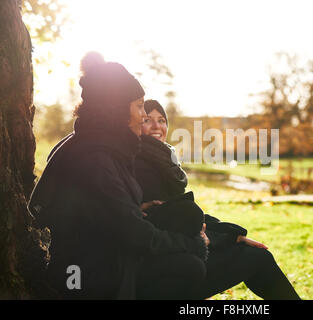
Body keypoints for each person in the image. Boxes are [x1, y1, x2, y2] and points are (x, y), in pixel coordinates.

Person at [27, 53, 208, 299]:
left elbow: (104, 212)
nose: (144, 115)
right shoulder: (95, 158)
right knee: (190, 267)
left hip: (101, 254)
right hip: (83, 275)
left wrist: (138, 207)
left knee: (188, 214)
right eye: (139, 106)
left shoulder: (104, 147)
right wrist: (193, 245)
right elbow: (134, 234)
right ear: (116, 110)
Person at [135, 99, 301, 300]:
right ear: (134, 124)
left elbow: (184, 213)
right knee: (257, 258)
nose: (157, 126)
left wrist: (232, 235)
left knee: (256, 255)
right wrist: (225, 237)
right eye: (147, 120)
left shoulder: (163, 162)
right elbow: (173, 221)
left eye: (161, 120)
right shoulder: (140, 164)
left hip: (182, 255)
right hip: (168, 270)